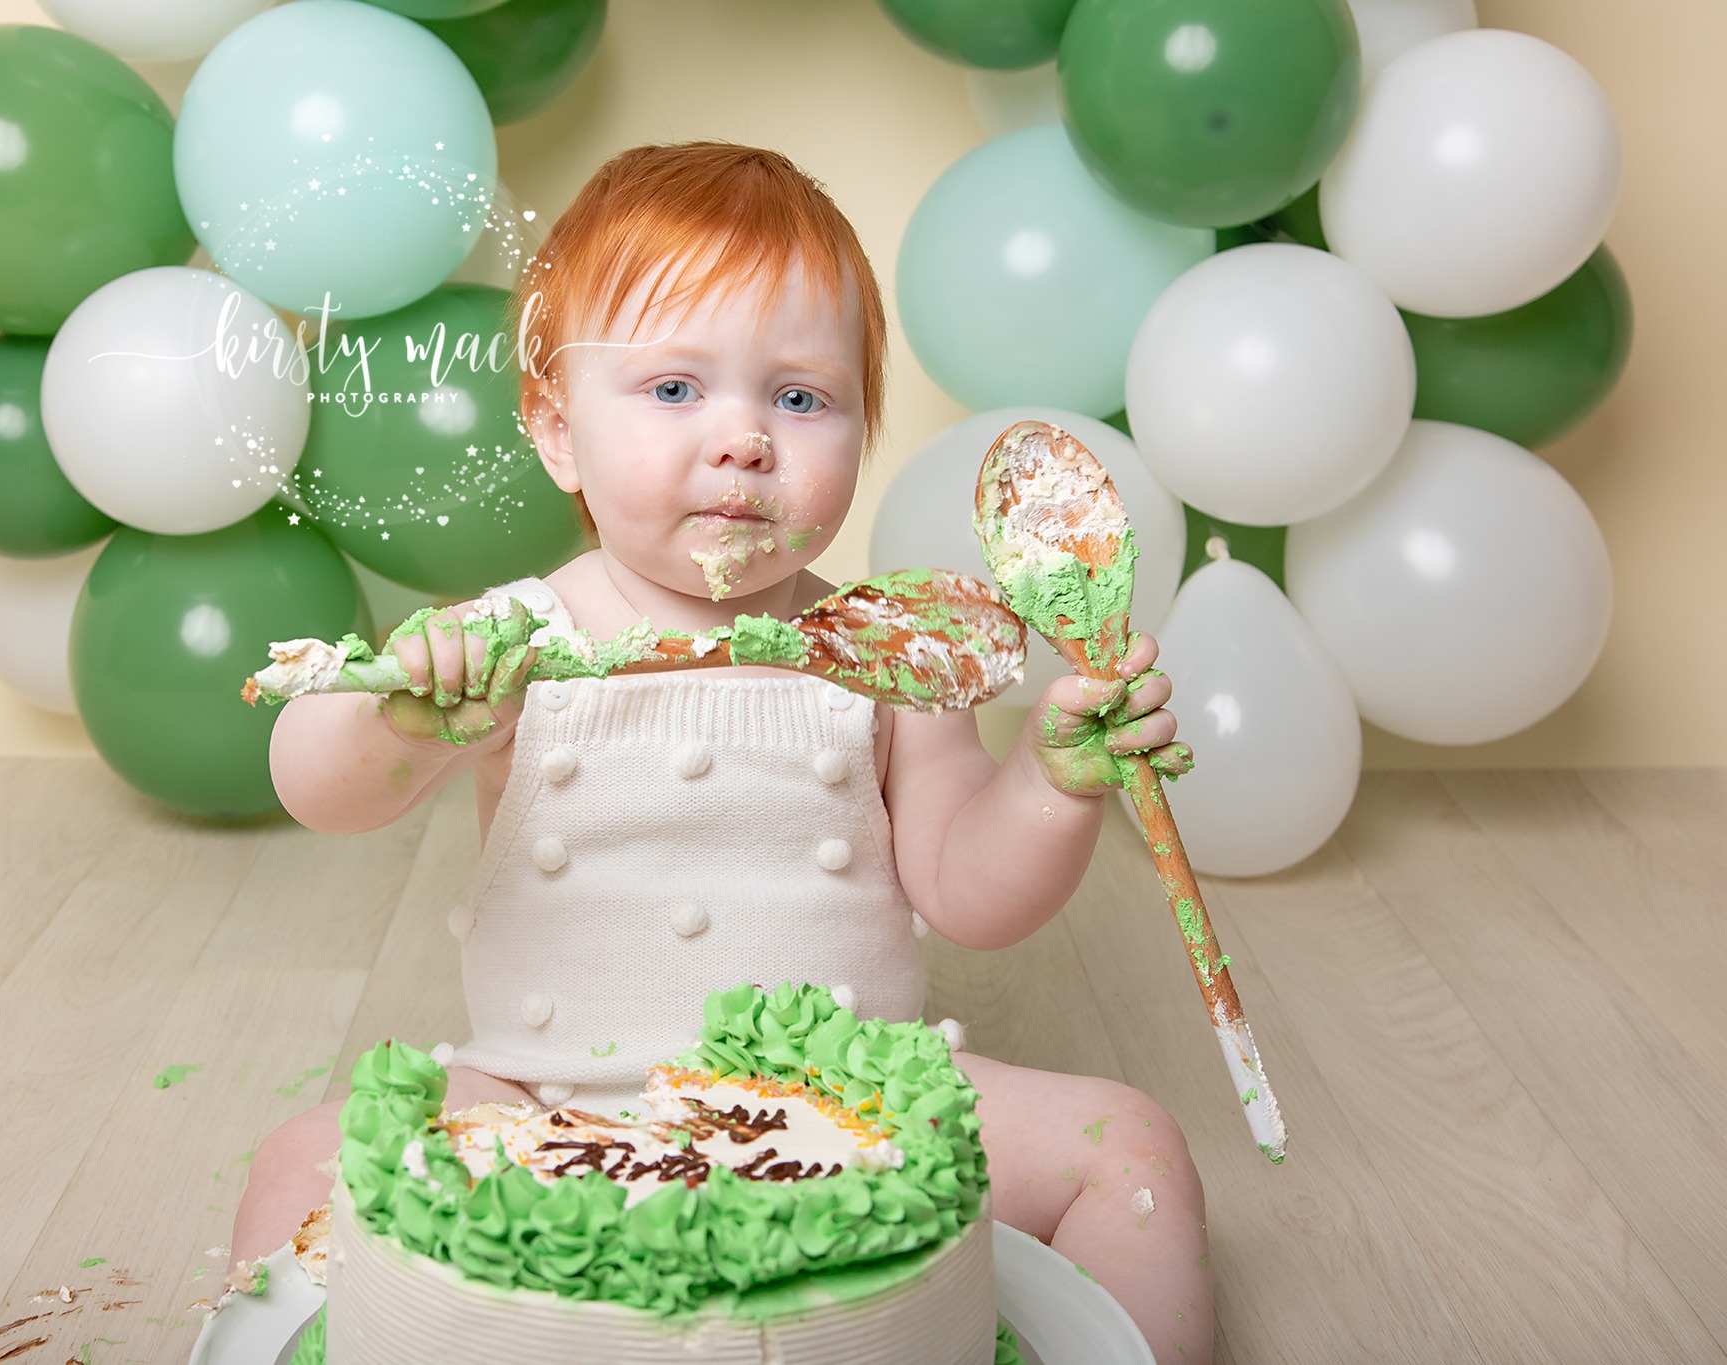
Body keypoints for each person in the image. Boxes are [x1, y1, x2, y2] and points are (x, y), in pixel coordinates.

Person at [235, 141, 1211, 1365]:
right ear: (555, 431)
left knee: (1129, 1150)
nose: (743, 439)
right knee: (299, 1165)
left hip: (847, 1120)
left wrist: (1048, 785)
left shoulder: (885, 651)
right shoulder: (515, 638)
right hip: (543, 1107)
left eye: (799, 398)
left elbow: (970, 893)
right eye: (673, 390)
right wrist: (398, 725)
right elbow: (316, 790)